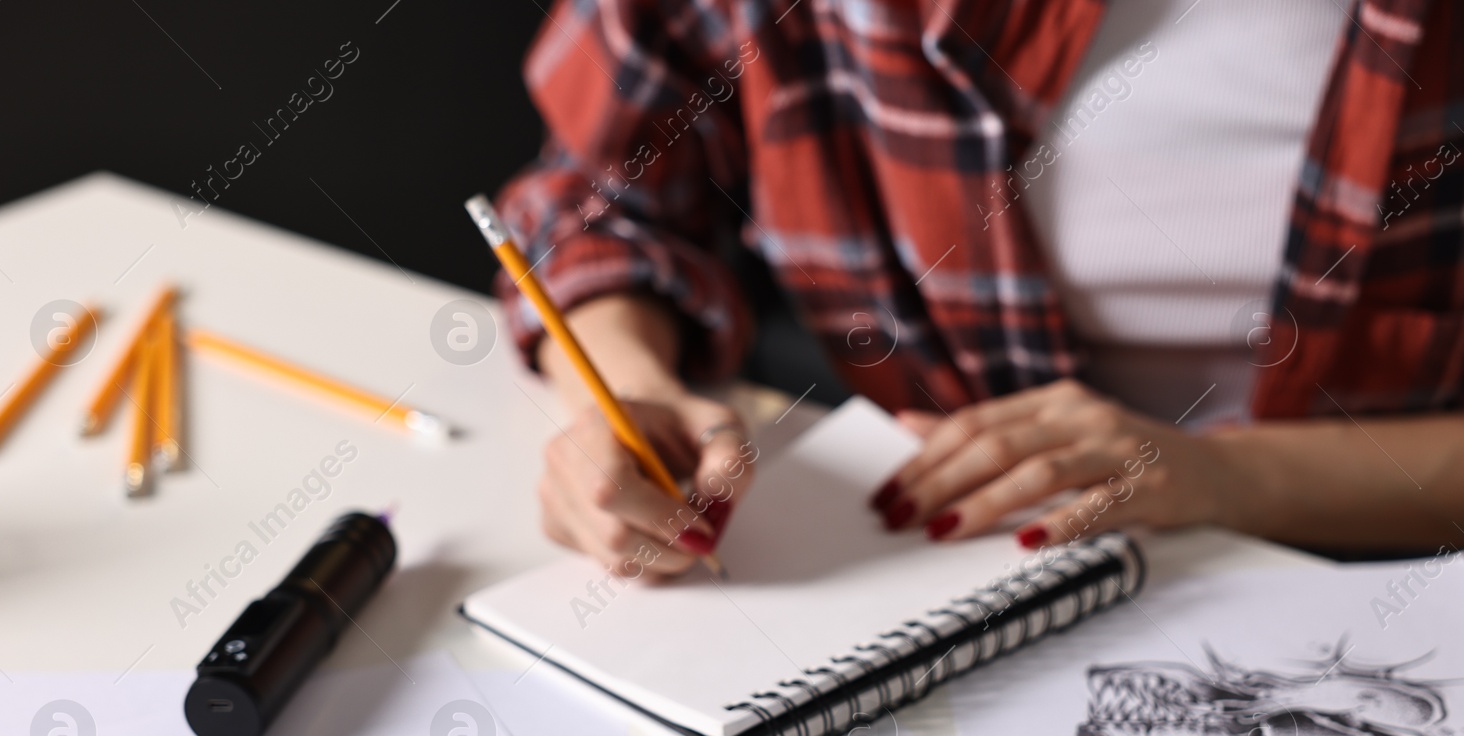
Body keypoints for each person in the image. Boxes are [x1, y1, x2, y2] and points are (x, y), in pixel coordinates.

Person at [490, 0, 1464, 579]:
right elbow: (599, 196)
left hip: (1376, 568)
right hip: (935, 577)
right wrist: (618, 386)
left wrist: (1223, 478)